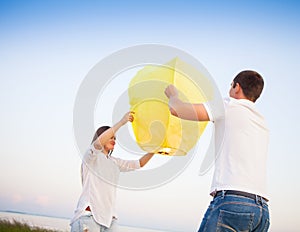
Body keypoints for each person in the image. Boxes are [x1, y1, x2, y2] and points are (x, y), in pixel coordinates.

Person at [164, 70, 270, 231]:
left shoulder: (228, 105)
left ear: (237, 87)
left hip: (233, 203)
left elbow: (177, 109)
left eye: (230, 85)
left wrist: (173, 95)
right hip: (261, 212)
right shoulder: (262, 122)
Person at [70, 112, 154, 232]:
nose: (114, 139)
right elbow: (98, 144)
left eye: (115, 138)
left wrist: (155, 150)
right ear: (101, 136)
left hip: (110, 221)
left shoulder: (115, 162)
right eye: (110, 136)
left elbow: (139, 163)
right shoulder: (91, 156)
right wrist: (121, 122)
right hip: (89, 217)